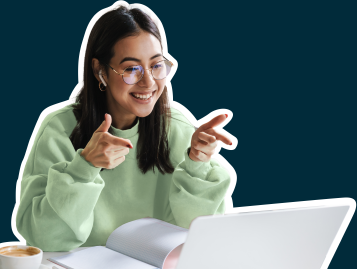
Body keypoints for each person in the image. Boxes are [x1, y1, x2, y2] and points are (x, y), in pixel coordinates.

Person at [15, 4, 234, 252]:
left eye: (156, 65)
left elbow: (198, 234)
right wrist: (84, 167)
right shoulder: (60, 130)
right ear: (100, 71)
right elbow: (43, 239)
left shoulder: (177, 128)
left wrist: (198, 162)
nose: (149, 82)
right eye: (131, 69)